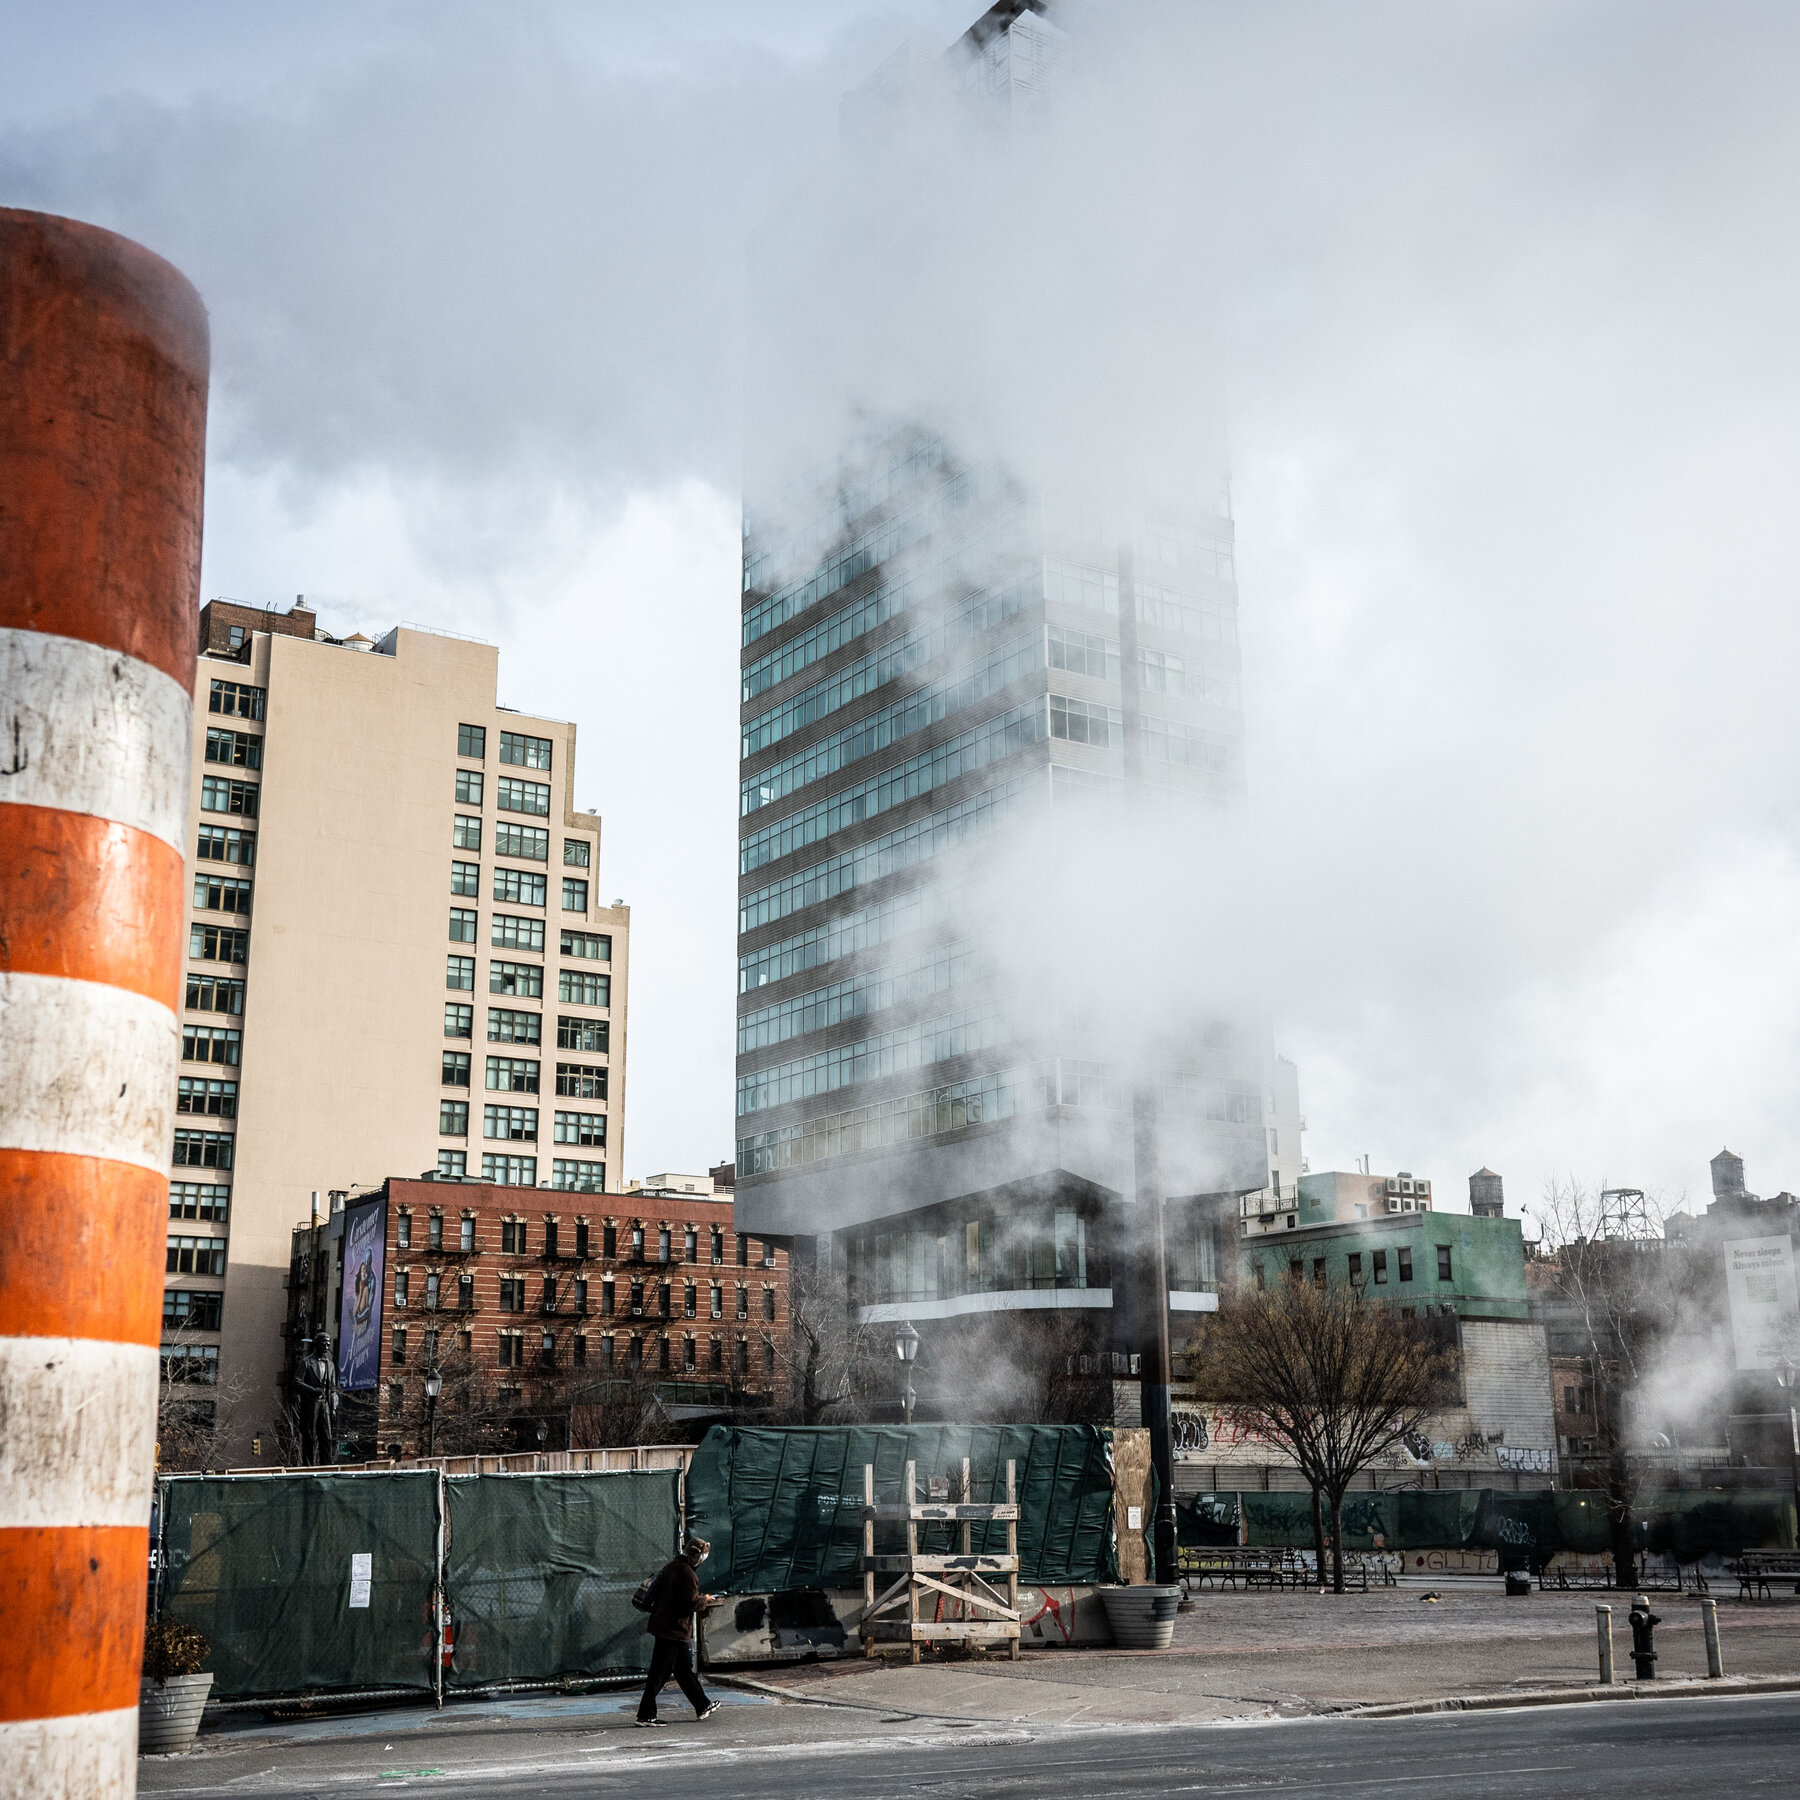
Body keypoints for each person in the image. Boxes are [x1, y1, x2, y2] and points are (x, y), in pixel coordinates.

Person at [635, 1535, 720, 1726]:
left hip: (667, 1626)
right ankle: (646, 1715)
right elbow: (690, 1602)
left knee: (682, 1670)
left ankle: (702, 1705)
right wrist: (705, 1599)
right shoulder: (687, 1573)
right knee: (659, 1673)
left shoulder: (672, 1566)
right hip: (673, 1629)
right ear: (697, 1557)